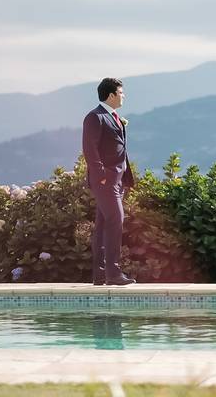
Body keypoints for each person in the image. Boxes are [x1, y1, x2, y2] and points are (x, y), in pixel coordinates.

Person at [82, 77, 136, 285]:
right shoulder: (94, 117)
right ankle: (114, 274)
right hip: (106, 182)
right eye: (121, 93)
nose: (124, 96)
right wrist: (102, 176)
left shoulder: (113, 117)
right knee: (116, 221)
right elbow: (90, 149)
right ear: (111, 95)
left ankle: (101, 274)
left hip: (118, 180)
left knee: (104, 225)